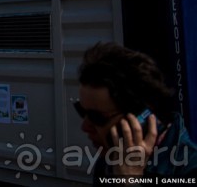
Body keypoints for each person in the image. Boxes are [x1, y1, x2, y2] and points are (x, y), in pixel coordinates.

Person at [77, 42, 197, 179]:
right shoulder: (112, 158)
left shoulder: (189, 170)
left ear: (141, 117)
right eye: (81, 110)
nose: (85, 127)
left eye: (96, 117)